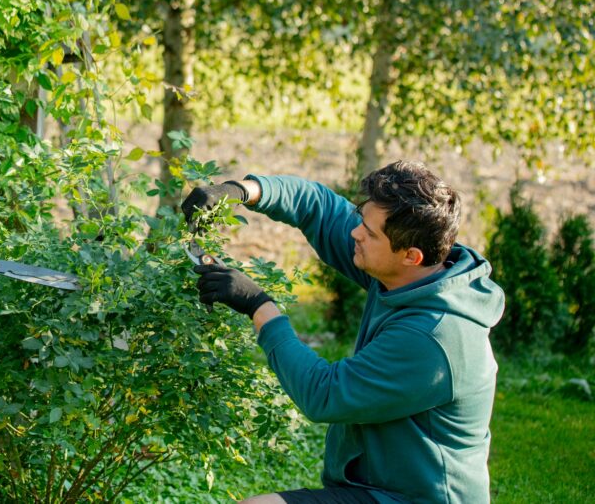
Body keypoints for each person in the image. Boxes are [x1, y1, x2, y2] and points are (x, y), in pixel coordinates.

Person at [182, 161, 505, 504]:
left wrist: (259, 306)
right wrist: (241, 191)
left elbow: (324, 395)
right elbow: (317, 205)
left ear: (411, 255)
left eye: (369, 232)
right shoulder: (410, 273)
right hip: (375, 487)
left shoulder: (434, 337)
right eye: (361, 220)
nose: (356, 233)